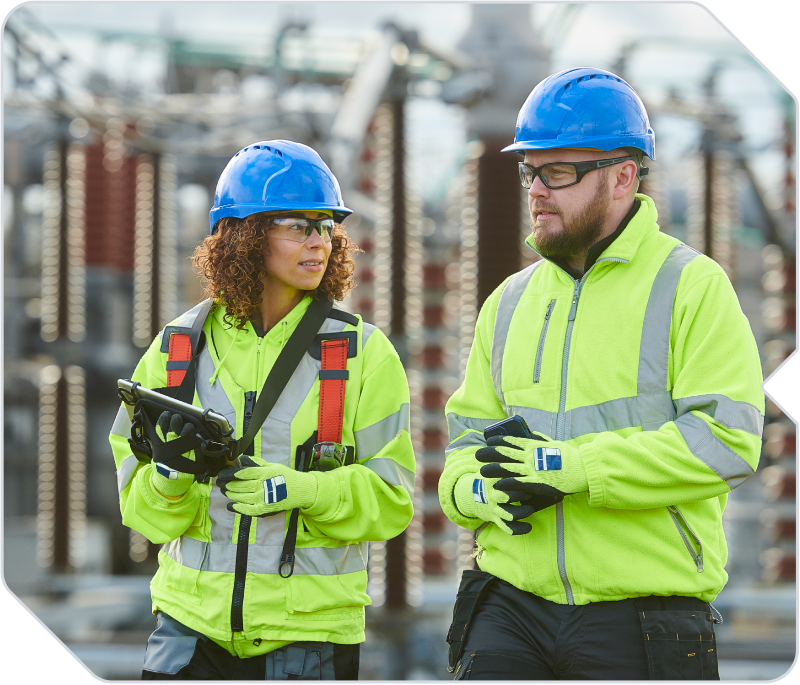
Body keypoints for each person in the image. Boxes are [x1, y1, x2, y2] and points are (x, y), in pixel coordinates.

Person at [438, 68, 764, 681]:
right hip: (508, 603)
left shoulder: (692, 287)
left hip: (642, 614)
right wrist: (479, 493)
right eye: (530, 171)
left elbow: (726, 442)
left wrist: (576, 469)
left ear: (622, 176)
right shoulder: (508, 302)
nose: (537, 190)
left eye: (559, 172)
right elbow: (461, 449)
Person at [109, 140, 415, 680]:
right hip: (187, 631)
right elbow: (144, 517)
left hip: (309, 638)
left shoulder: (363, 353)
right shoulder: (177, 349)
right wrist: (168, 477)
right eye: (298, 226)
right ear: (245, 237)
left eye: (326, 227)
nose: (319, 242)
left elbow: (392, 502)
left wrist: (304, 490)